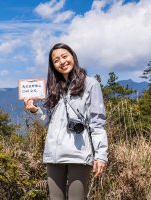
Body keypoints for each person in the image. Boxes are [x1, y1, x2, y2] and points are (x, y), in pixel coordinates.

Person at [24, 43, 108, 200]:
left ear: (73, 57)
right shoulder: (54, 88)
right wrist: (35, 110)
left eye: (64, 56)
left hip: (78, 153)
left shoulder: (90, 84)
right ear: (53, 66)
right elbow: (49, 123)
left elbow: (97, 123)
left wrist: (101, 155)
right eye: (56, 60)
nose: (61, 62)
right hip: (53, 155)